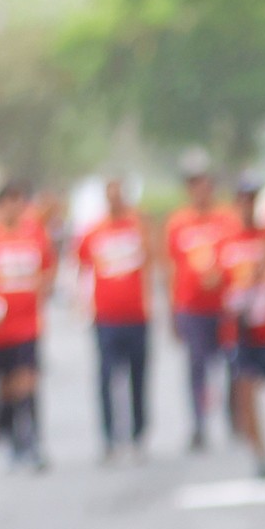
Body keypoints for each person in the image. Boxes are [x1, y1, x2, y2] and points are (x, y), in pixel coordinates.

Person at [0, 182, 54, 470]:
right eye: (10, 203)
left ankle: (32, 442)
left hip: (28, 326)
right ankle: (11, 440)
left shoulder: (35, 235)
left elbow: (47, 271)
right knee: (5, 388)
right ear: (0, 206)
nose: (15, 209)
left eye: (19, 203)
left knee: (27, 381)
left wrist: (40, 291)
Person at [164, 156, 246, 453]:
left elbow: (241, 255)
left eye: (203, 182)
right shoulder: (178, 223)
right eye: (193, 183)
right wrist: (172, 311)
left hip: (225, 306)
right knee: (196, 367)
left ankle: (236, 420)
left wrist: (225, 276)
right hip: (192, 308)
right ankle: (199, 423)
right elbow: (171, 268)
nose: (199, 189)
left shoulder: (228, 218)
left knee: (234, 364)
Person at [77, 177, 157, 462]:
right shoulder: (94, 231)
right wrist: (82, 304)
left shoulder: (138, 225)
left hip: (136, 315)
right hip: (106, 318)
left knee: (138, 376)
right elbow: (82, 268)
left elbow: (152, 257)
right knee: (106, 378)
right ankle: (109, 437)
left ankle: (138, 434)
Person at [217, 178, 265, 479]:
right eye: (243, 199)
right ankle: (260, 453)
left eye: (252, 199)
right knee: (245, 390)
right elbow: (213, 279)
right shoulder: (226, 240)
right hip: (239, 329)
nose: (247, 205)